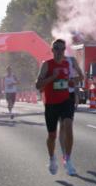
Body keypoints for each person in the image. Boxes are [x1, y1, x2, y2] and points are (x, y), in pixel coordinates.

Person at [35, 38, 82, 176]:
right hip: (50, 104)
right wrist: (52, 78)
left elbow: (76, 79)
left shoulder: (68, 64)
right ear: (52, 50)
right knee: (52, 136)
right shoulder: (46, 65)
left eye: (62, 48)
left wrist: (73, 82)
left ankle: (68, 159)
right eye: (56, 48)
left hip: (65, 101)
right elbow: (38, 85)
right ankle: (52, 159)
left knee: (68, 126)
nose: (59, 51)